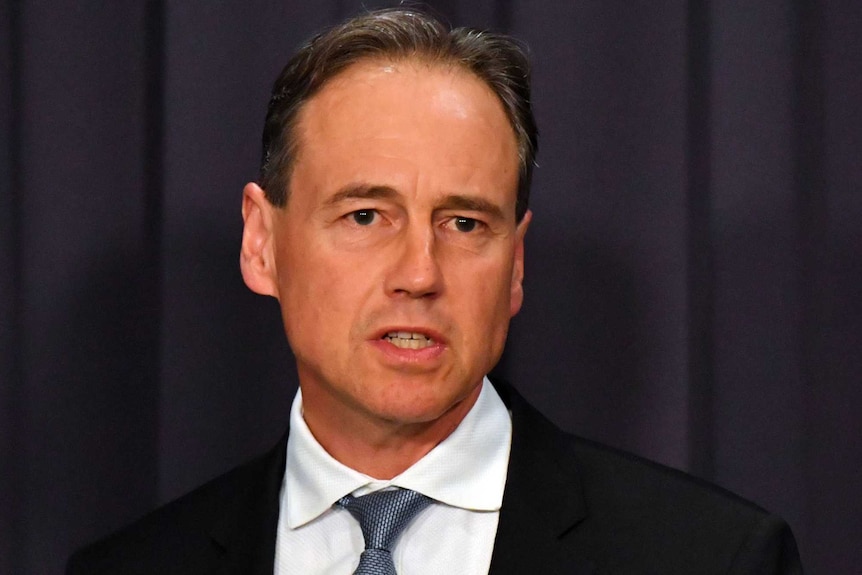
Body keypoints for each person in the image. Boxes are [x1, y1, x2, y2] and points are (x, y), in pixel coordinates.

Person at [68, 8, 803, 574]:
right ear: (261, 242)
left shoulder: (712, 558)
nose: (419, 272)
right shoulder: (132, 566)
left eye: (463, 221)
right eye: (365, 215)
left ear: (515, 265)